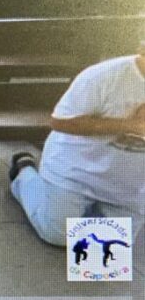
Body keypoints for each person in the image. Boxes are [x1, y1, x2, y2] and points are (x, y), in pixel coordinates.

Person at [8, 37, 145, 247]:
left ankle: (83, 210)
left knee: (106, 247)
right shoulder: (102, 76)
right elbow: (60, 122)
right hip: (76, 168)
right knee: (58, 234)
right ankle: (24, 172)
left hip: (129, 183)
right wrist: (128, 125)